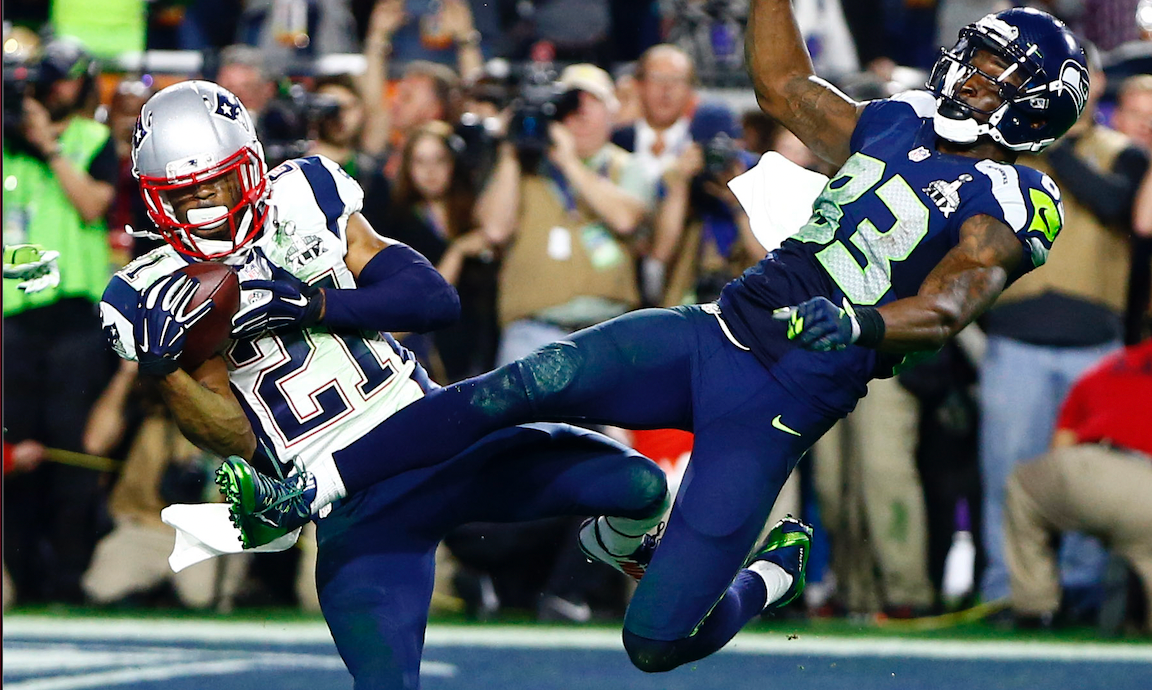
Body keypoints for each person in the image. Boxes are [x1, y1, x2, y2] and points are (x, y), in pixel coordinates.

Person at [221, 5, 1090, 673]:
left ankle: (769, 580)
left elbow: (949, 304)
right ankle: (316, 483)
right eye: (972, 57)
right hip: (718, 330)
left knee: (656, 640)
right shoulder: (896, 120)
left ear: (1035, 104)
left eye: (993, 71)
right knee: (520, 383)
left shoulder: (1017, 200)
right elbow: (783, 85)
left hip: (786, 399)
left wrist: (863, 322)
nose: (969, 75)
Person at [98, 79, 670, 689]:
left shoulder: (305, 197)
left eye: (221, 184)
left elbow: (432, 299)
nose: (209, 209)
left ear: (254, 166)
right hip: (347, 504)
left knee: (638, 485)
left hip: (437, 438)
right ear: (156, 200)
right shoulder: (146, 291)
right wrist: (166, 372)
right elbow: (234, 438)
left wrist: (311, 304)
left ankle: (617, 547)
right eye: (187, 196)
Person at [3, 37, 119, 604]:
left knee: (71, 452)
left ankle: (68, 578)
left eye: (63, 80)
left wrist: (49, 147)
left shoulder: (92, 140)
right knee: (14, 450)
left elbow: (94, 205)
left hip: (74, 317)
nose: (52, 90)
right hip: (13, 318)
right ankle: (16, 576)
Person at [1003, 338, 1152, 632]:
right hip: (1144, 485)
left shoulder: (1109, 364)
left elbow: (1062, 444)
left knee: (1024, 487)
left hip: (1086, 469)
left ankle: (1036, 609)